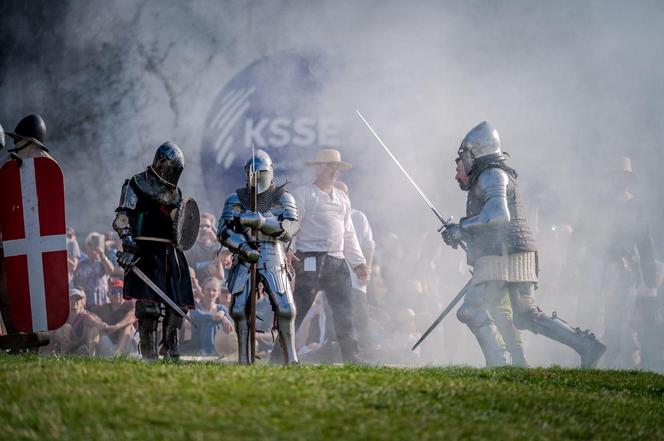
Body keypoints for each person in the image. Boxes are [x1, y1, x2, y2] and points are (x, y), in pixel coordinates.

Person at [441, 121, 606, 367]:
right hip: (510, 252)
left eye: (464, 155)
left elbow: (498, 216)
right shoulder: (490, 174)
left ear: (475, 152)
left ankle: (497, 363)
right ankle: (585, 345)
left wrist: (462, 228)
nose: (462, 163)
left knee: (471, 309)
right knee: (526, 315)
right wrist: (460, 233)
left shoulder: (491, 174)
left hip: (504, 254)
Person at [567, 156, 657, 368]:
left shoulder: (636, 207)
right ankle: (585, 362)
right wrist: (569, 268)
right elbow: (578, 236)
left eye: (624, 177)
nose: (620, 181)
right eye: (617, 177)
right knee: (587, 314)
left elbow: (645, 243)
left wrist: (649, 275)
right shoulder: (595, 202)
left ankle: (610, 364)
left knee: (617, 319)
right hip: (595, 264)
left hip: (623, 269)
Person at [112, 141, 195, 359]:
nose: (173, 173)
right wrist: (128, 246)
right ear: (160, 163)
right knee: (149, 308)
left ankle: (170, 349)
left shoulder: (176, 193)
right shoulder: (135, 184)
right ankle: (149, 353)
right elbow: (122, 219)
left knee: (177, 306)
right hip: (145, 251)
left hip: (171, 253)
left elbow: (182, 225)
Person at [217, 149, 300, 364]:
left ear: (269, 172)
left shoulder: (283, 198)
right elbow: (224, 231)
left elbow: (290, 228)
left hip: (273, 254)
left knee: (286, 308)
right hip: (244, 255)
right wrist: (243, 248)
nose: (256, 178)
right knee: (238, 309)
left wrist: (262, 222)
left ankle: (291, 358)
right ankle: (244, 359)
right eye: (252, 173)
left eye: (260, 173)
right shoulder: (235, 198)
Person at [291, 149, 369, 364]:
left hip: (337, 261)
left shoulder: (342, 198)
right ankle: (282, 354)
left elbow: (348, 232)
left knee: (345, 312)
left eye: (336, 167)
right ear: (317, 168)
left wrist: (358, 262)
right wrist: (289, 252)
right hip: (308, 259)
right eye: (328, 166)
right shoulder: (303, 194)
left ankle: (352, 358)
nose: (333, 171)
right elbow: (292, 227)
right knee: (298, 309)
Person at [0, 115, 55, 337]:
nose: (14, 145)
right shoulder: (11, 168)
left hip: (23, 242)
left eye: (19, 140)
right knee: (6, 290)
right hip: (11, 240)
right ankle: (16, 337)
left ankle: (22, 336)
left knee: (16, 291)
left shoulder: (45, 168)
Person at [334, 180, 376, 352]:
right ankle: (336, 352)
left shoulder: (358, 217)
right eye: (339, 193)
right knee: (335, 317)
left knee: (361, 317)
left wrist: (368, 268)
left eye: (346, 194)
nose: (343, 197)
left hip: (356, 279)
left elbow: (368, 245)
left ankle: (367, 352)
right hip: (334, 279)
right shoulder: (326, 215)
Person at [90, 278, 137, 356]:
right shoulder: (103, 308)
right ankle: (91, 355)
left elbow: (132, 316)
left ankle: (118, 355)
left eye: (120, 291)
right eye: (114, 291)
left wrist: (116, 326)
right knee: (94, 328)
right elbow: (89, 316)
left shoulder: (130, 304)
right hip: (110, 346)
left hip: (130, 346)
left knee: (128, 326)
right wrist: (99, 324)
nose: (118, 295)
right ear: (108, 294)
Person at [189, 277, 234, 355]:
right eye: (208, 289)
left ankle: (214, 352)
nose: (211, 293)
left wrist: (224, 317)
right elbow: (200, 316)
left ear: (218, 293)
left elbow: (231, 325)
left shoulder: (221, 309)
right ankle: (209, 353)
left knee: (215, 322)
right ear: (202, 291)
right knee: (209, 323)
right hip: (198, 345)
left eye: (214, 290)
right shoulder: (196, 308)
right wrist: (222, 317)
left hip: (221, 344)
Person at [73, 233, 114, 306]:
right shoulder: (81, 265)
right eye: (89, 245)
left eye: (94, 244)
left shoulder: (102, 262)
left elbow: (110, 271)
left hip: (103, 304)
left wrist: (102, 256)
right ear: (86, 246)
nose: (92, 248)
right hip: (87, 305)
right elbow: (77, 284)